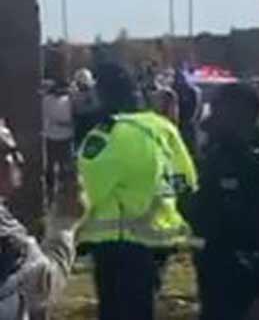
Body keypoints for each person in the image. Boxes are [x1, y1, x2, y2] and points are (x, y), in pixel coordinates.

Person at [76, 63, 196, 320]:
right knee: (143, 308)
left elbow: (88, 190)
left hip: (114, 242)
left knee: (115, 310)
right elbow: (186, 180)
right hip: (159, 239)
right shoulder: (162, 128)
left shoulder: (105, 134)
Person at [183, 82, 259, 320]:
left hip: (256, 288)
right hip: (216, 286)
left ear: (240, 114)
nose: (212, 118)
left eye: (218, 110)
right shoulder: (216, 159)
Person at [0, 117, 84, 319]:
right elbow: (43, 285)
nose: (20, 159)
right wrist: (64, 224)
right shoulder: (7, 237)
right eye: (9, 152)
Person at [42, 82, 75, 203]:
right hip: (65, 136)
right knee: (64, 164)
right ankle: (63, 190)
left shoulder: (46, 100)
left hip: (51, 136)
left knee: (51, 164)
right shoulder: (69, 100)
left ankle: (51, 190)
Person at [70, 68, 102, 146]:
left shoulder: (93, 92)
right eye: (79, 84)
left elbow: (96, 105)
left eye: (82, 84)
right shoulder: (75, 91)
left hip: (91, 120)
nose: (81, 86)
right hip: (79, 121)